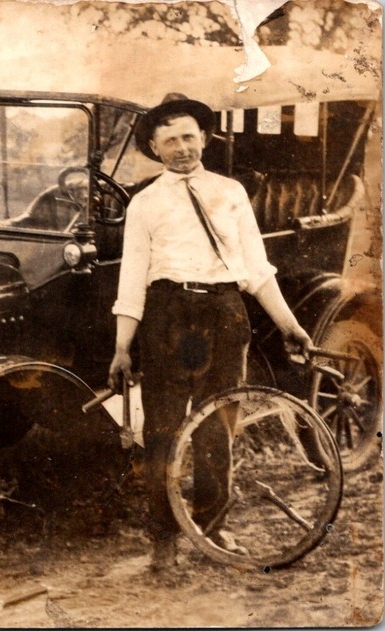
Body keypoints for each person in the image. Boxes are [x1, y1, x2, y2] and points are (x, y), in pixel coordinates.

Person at [107, 94, 312, 571]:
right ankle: (164, 540)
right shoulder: (144, 203)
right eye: (170, 140)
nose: (182, 148)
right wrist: (122, 346)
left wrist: (290, 324)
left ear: (204, 138)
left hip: (224, 312)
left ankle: (212, 529)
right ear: (155, 148)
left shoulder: (230, 193)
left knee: (218, 428)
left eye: (189, 137)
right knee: (160, 432)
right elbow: (132, 280)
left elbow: (257, 271)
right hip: (166, 317)